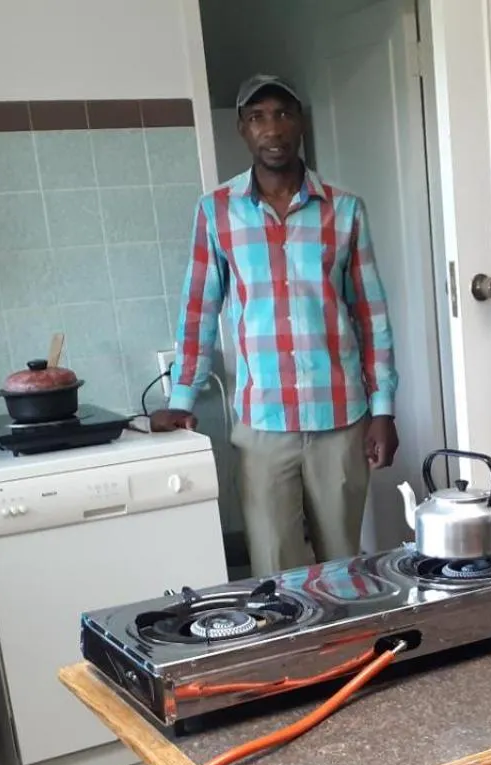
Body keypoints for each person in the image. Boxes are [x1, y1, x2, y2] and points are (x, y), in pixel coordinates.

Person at [153, 74, 399, 578]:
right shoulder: (216, 211)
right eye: (258, 117)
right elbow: (199, 306)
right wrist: (182, 397)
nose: (272, 129)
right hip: (262, 423)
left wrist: (384, 410)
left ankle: (349, 654)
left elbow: (371, 314)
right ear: (242, 129)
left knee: (341, 563)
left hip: (340, 417)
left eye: (283, 114)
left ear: (301, 124)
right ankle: (296, 659)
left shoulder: (344, 208)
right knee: (275, 569)